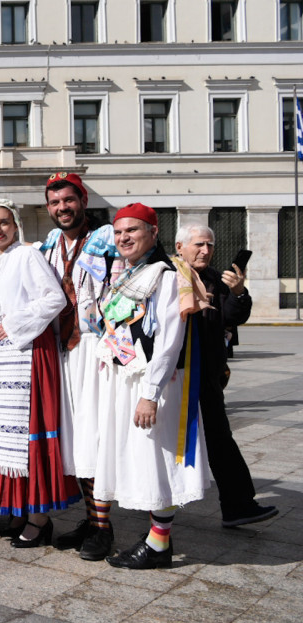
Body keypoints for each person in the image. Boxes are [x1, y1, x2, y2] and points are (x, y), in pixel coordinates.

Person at [93, 204, 209, 569]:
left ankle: (158, 544)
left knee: (158, 461)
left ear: (154, 233)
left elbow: (170, 341)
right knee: (143, 461)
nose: (124, 237)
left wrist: (149, 395)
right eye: (119, 232)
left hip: (152, 384)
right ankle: (157, 541)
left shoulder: (167, 275)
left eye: (133, 230)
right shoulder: (129, 274)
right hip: (127, 380)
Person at [0, 199, 75, 547]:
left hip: (25, 352)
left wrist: (13, 324)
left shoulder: (28, 255)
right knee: (0, 440)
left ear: (16, 225)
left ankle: (39, 517)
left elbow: (54, 299)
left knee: (25, 436)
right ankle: (18, 509)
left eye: (3, 223)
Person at [38, 172, 120, 560]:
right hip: (62, 351)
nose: (62, 208)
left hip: (95, 348)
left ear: (83, 200)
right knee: (75, 439)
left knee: (94, 438)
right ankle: (91, 519)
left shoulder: (106, 240)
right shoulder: (51, 245)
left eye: (68, 200)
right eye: (54, 203)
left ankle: (103, 528)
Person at [173, 223, 276, 528]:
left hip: (206, 376)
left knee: (220, 439)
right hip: (173, 377)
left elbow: (232, 316)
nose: (206, 250)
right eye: (199, 245)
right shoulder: (168, 276)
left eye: (210, 245)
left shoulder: (216, 279)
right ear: (180, 247)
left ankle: (238, 505)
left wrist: (238, 292)